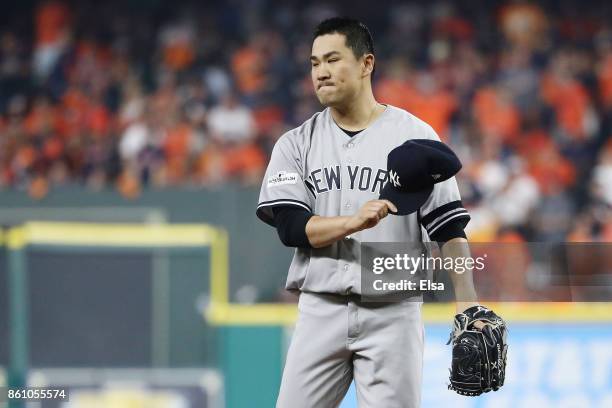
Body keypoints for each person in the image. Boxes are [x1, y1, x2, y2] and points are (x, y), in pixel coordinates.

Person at [256, 17, 483, 408]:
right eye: (314, 63)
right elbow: (291, 228)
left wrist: (468, 301)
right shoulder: (295, 144)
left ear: (366, 64)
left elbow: (448, 227)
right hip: (320, 308)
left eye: (332, 59)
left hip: (393, 313)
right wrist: (353, 221)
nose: (321, 73)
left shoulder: (416, 137)